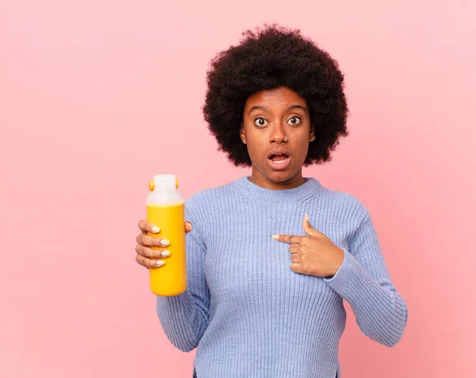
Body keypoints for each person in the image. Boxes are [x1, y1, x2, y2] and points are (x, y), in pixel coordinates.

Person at [134, 24, 408, 378]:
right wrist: (164, 274)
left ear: (313, 128)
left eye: (293, 119)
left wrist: (340, 265)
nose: (278, 135)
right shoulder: (202, 213)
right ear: (241, 131)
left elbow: (390, 329)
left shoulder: (347, 214)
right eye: (261, 121)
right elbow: (186, 337)